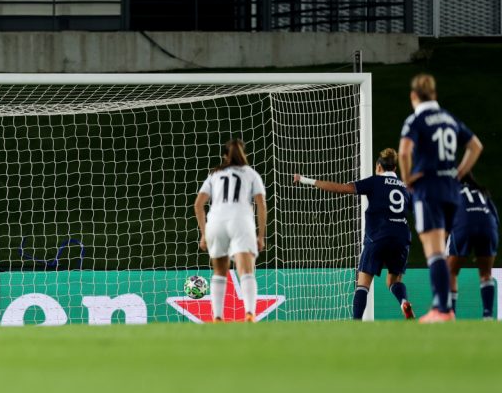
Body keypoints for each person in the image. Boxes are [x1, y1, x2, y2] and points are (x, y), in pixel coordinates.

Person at [399, 73, 483, 323]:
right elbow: (476, 146)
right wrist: (458, 173)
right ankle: (445, 308)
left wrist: (407, 179)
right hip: (451, 191)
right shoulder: (448, 117)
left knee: (433, 251)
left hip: (429, 190)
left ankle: (441, 309)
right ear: (434, 94)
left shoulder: (416, 119)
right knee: (443, 250)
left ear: (414, 96)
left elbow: (404, 152)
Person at [294, 148, 415, 320]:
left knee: (363, 284)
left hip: (378, 236)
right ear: (395, 168)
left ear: (378, 166)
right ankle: (403, 301)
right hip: (401, 237)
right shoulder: (404, 187)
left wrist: (307, 180)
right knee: (394, 281)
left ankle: (356, 322)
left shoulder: (374, 182)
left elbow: (342, 189)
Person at [193, 138, 267, 322]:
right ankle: (249, 313)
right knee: (246, 270)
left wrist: (204, 233)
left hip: (216, 221)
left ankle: (217, 317)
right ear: (244, 154)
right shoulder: (251, 174)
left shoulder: (214, 174)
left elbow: (198, 204)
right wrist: (260, 235)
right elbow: (261, 204)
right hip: (241, 221)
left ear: (225, 156)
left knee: (219, 271)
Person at [447, 174, 498, 319]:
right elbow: (495, 218)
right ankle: (488, 315)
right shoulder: (482, 192)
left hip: (464, 225)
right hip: (488, 226)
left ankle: (451, 315)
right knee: (486, 273)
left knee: (451, 271)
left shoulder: (451, 190)